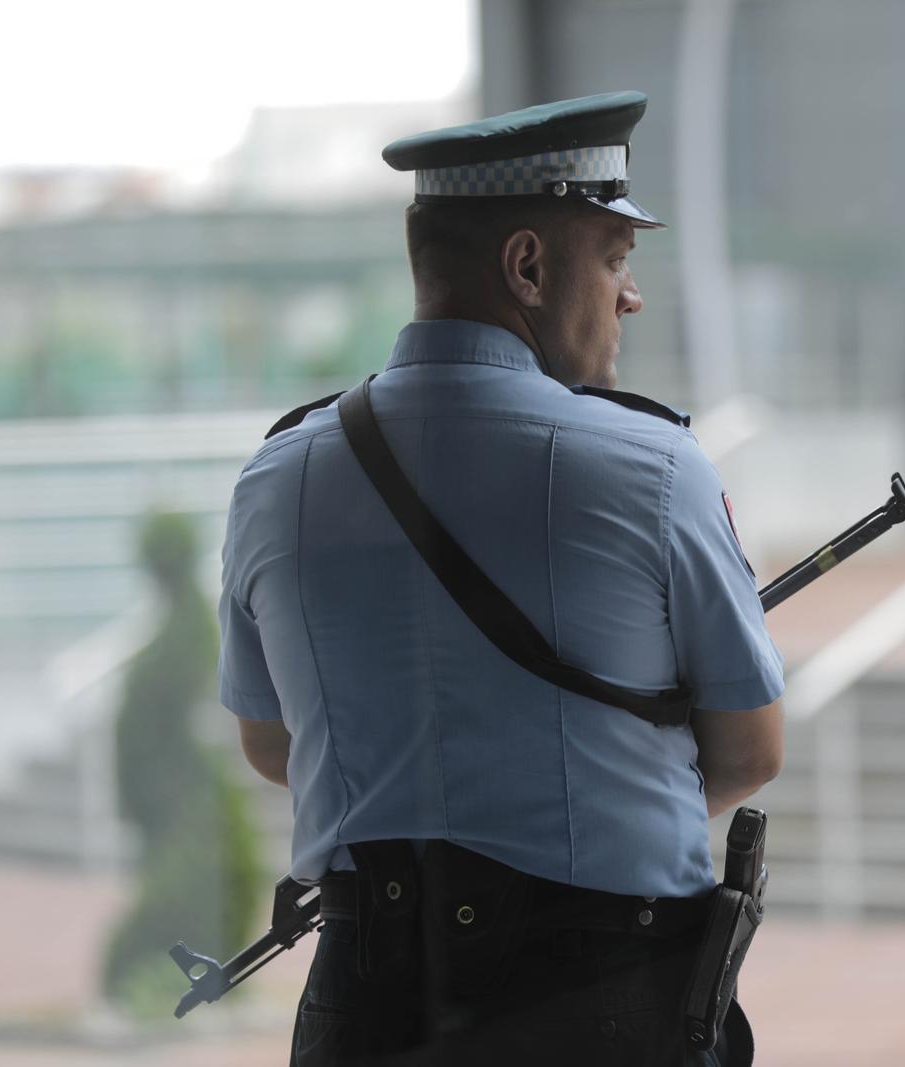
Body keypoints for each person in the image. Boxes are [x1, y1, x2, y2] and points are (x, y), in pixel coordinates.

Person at [217, 90, 785, 1066]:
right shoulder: (653, 470)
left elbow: (273, 744)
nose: (629, 295)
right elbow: (747, 749)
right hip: (601, 1005)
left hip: (363, 1009)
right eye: (614, 258)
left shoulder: (278, 479)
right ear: (526, 265)